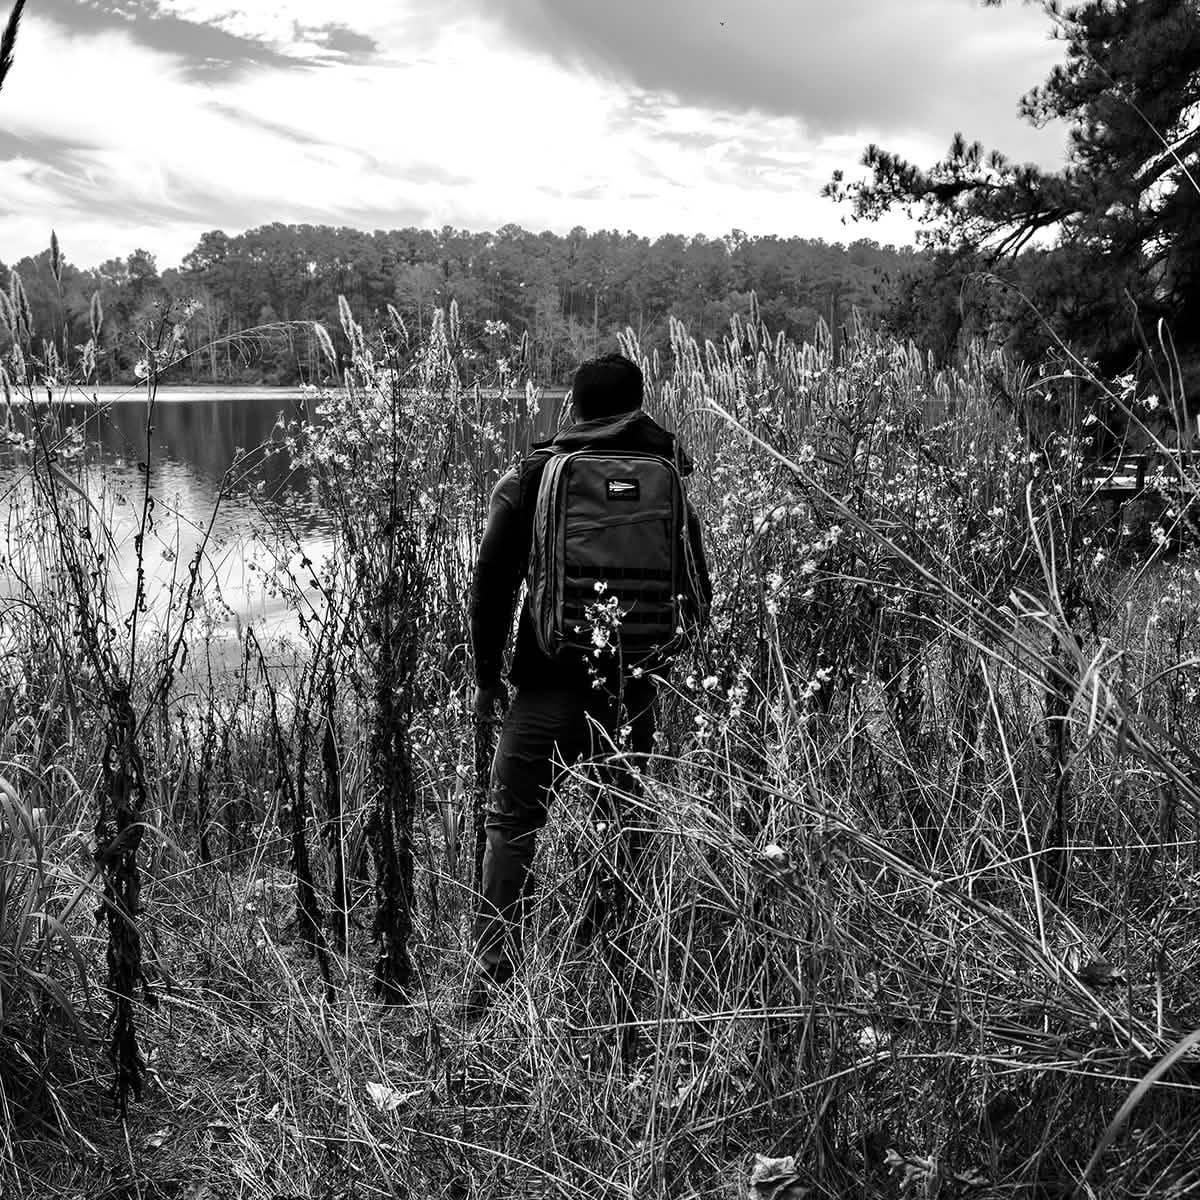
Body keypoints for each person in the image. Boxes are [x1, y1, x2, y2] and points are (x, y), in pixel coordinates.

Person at [461, 351, 711, 1017]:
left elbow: (491, 585)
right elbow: (697, 590)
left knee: (512, 823)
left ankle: (491, 990)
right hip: (633, 692)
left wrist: (486, 679)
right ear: (639, 404)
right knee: (621, 823)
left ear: (574, 406)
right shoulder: (667, 479)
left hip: (546, 686)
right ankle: (613, 976)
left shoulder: (534, 476)